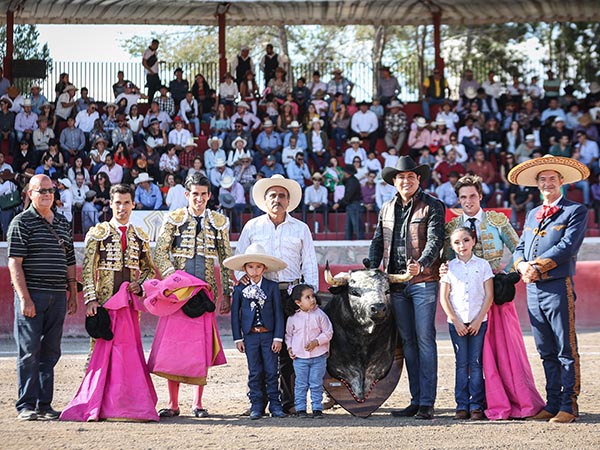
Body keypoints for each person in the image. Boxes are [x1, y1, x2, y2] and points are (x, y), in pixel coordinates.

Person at [60, 183, 157, 422]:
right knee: (98, 352)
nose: (122, 208)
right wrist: (90, 299)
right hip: (104, 303)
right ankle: (95, 401)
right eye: (117, 203)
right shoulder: (98, 232)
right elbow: (88, 269)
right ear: (110, 204)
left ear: (133, 204)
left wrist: (141, 285)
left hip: (129, 306)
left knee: (127, 352)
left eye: (126, 203)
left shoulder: (139, 236)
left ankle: (124, 401)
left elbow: (149, 270)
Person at [509, 155, 590, 423]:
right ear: (537, 184)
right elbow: (520, 247)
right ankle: (553, 403)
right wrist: (521, 266)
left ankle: (569, 404)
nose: (547, 183)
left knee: (565, 348)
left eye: (552, 179)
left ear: (561, 182)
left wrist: (537, 267)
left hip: (557, 286)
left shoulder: (575, 210)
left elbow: (568, 247)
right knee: (545, 350)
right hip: (534, 289)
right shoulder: (532, 213)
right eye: (542, 180)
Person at [368, 156, 445, 420]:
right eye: (401, 177)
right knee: (409, 343)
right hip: (396, 284)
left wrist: (422, 264)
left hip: (423, 282)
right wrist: (370, 264)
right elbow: (378, 240)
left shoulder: (433, 205)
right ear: (394, 181)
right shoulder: (386, 207)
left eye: (411, 176)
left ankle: (427, 402)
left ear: (418, 179)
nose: (406, 180)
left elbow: (436, 240)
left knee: (424, 340)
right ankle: (416, 399)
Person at [235, 175, 318, 414]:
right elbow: (240, 258)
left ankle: (287, 402)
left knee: (289, 348)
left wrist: (309, 296)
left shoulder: (301, 228)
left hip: (291, 293)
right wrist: (239, 280)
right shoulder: (253, 226)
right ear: (265, 200)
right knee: (260, 349)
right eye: (273, 195)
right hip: (259, 294)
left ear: (288, 200)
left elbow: (309, 263)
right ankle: (257, 402)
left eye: (282, 196)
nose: (277, 200)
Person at [153, 173, 232, 418]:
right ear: (187, 195)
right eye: (194, 194)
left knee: (200, 349)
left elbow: (226, 259)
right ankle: (173, 404)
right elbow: (160, 253)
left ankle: (197, 404)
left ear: (209, 195)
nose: (199, 199)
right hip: (178, 295)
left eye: (203, 194)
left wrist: (227, 292)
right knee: (174, 349)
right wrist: (175, 280)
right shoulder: (174, 219)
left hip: (205, 293)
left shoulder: (219, 221)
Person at [8, 174, 78, 420]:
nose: (47, 194)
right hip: (33, 295)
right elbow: (15, 264)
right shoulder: (21, 222)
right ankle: (26, 405)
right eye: (41, 191)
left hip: (58, 295)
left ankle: (44, 404)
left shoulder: (61, 222)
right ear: (30, 193)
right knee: (29, 352)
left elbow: (70, 260)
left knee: (50, 351)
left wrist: (72, 294)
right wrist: (25, 299)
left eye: (51, 190)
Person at [225, 243, 288, 420]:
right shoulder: (239, 289)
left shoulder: (272, 287)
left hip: (269, 336)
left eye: (258, 266)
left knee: (271, 371)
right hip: (250, 336)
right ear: (244, 268)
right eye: (250, 267)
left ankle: (275, 405)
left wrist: (278, 337)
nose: (254, 271)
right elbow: (235, 315)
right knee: (254, 371)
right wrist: (238, 338)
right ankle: (256, 405)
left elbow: (278, 313)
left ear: (264, 268)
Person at [440, 226, 494, 421]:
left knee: (476, 363)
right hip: (457, 324)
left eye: (465, 240)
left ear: (473, 241)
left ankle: (476, 406)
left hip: (479, 322)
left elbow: (489, 294)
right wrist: (456, 321)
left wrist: (479, 319)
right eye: (456, 242)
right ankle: (462, 405)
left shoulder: (483, 265)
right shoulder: (448, 267)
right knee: (461, 364)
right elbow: (444, 298)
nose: (461, 245)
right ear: (451, 246)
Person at [285, 284, 333, 419]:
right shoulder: (293, 318)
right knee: (300, 384)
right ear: (298, 302)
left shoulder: (320, 315)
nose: (312, 300)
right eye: (307, 297)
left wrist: (316, 342)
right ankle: (300, 409)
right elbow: (289, 335)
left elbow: (329, 332)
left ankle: (317, 408)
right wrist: (290, 348)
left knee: (316, 383)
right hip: (300, 358)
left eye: (313, 296)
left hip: (318, 357)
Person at [332, 165, 363, 240]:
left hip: (353, 205)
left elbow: (348, 196)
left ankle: (360, 242)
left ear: (347, 173)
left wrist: (339, 203)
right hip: (351, 205)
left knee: (355, 227)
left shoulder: (352, 182)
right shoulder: (352, 181)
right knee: (349, 227)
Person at [143, 39, 162, 103]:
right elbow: (144, 62)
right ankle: (149, 102)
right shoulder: (148, 51)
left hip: (155, 74)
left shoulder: (154, 52)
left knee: (158, 87)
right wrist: (150, 71)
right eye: (156, 45)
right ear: (153, 44)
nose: (157, 47)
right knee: (152, 90)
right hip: (151, 74)